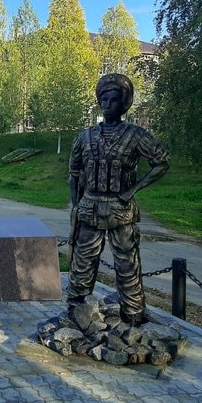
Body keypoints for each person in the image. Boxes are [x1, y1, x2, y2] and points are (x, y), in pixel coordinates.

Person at [66, 73, 169, 326]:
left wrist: (133, 189)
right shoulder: (85, 136)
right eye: (103, 99)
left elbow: (161, 162)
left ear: (124, 104)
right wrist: (76, 205)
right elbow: (74, 172)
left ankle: (133, 312)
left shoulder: (135, 135)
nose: (107, 104)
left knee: (127, 262)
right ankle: (76, 307)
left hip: (121, 209)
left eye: (113, 100)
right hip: (89, 207)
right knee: (83, 259)